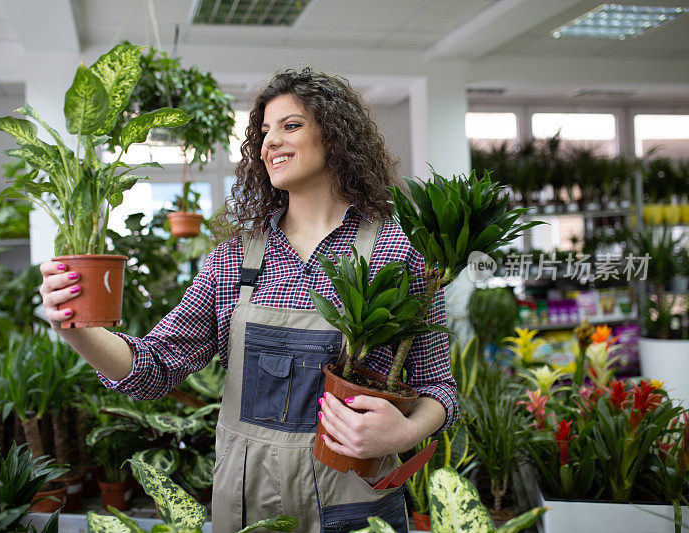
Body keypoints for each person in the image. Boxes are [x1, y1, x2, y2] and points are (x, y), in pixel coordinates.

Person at [39, 67, 458, 532]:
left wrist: (404, 431)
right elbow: (152, 369)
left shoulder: (397, 252)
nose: (269, 142)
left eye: (291, 125)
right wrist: (74, 330)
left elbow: (438, 387)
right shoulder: (234, 259)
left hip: (354, 497)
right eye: (263, 132)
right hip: (249, 502)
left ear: (337, 137)